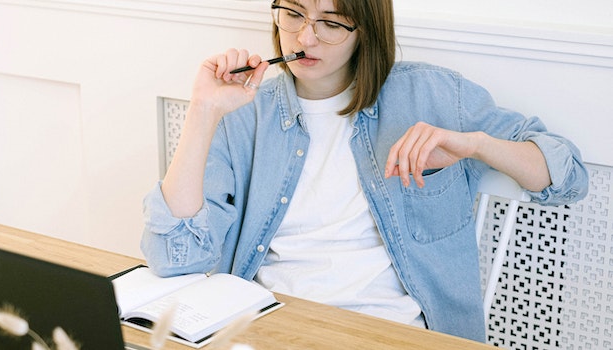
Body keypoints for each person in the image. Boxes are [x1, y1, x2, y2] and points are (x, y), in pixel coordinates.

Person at [140, 0, 588, 343]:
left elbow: (567, 177)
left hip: (391, 333)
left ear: (365, 30)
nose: (304, 39)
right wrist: (203, 111)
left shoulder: (433, 94)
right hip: (271, 325)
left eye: (331, 23)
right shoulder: (244, 113)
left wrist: (476, 145)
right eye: (292, 14)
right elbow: (176, 256)